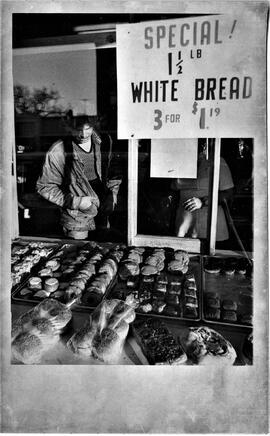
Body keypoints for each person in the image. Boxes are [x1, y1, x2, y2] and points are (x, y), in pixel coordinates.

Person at [36, 114, 121, 240]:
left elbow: (114, 173)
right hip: (76, 216)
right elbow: (45, 187)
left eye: (88, 129)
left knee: (102, 252)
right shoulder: (58, 151)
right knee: (78, 255)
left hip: (103, 209)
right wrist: (77, 202)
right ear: (69, 128)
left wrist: (112, 195)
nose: (83, 134)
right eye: (78, 129)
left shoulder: (104, 141)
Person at [172, 140, 234, 241]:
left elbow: (228, 194)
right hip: (183, 226)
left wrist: (203, 201)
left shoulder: (217, 162)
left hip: (211, 227)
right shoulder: (180, 163)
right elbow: (173, 191)